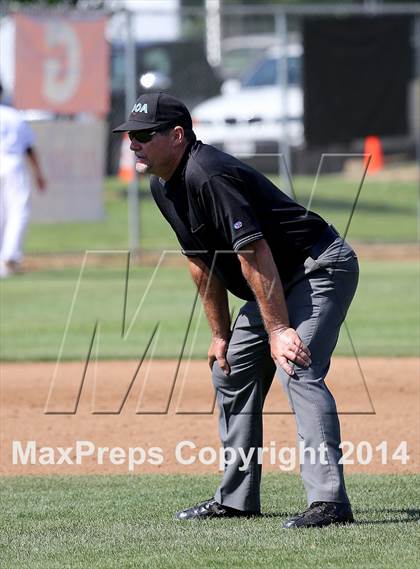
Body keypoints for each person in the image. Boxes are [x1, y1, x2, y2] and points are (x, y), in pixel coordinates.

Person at [114, 92, 359, 528]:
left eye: (143, 135)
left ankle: (329, 502)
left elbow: (253, 249)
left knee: (296, 364)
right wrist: (221, 333)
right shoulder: (162, 184)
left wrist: (280, 328)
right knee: (232, 368)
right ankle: (236, 498)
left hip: (317, 265)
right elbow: (199, 261)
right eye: (130, 135)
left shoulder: (208, 174)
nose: (133, 143)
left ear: (176, 136)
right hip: (276, 276)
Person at [0, 82, 46, 278]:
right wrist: (38, 173)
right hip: (12, 163)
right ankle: (10, 256)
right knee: (18, 210)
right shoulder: (13, 115)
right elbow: (28, 148)